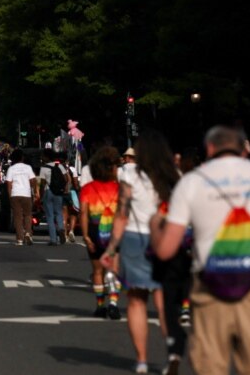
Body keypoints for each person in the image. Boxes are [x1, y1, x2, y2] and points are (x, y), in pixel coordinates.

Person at [150, 126, 250, 375]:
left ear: (209, 149)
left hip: (210, 287)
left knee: (210, 365)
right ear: (243, 149)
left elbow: (166, 250)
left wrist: (155, 226)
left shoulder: (191, 182)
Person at [102, 130, 175, 374]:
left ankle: (142, 359)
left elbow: (122, 214)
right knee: (164, 301)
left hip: (135, 238)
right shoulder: (174, 176)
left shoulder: (130, 175)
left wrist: (112, 248)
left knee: (136, 301)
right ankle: (172, 352)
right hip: (165, 238)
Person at [80, 146, 122, 319]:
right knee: (113, 270)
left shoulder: (88, 189)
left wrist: (86, 236)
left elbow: (83, 213)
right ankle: (113, 303)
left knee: (97, 271)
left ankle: (100, 305)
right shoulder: (119, 188)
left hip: (94, 231)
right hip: (113, 232)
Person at [5, 148, 37, 246]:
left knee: (17, 217)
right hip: (26, 194)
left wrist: (10, 196)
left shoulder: (11, 169)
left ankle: (19, 239)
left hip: (15, 194)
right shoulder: (28, 168)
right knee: (28, 215)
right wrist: (34, 191)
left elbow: (9, 184)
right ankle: (28, 233)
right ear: (22, 158)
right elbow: (33, 181)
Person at [41, 150, 69, 245]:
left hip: (48, 191)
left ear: (47, 157)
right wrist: (64, 188)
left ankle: (53, 239)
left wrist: (41, 195)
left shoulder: (44, 168)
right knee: (59, 213)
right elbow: (66, 179)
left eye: (43, 156)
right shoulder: (60, 166)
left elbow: (43, 182)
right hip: (58, 192)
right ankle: (61, 229)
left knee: (49, 216)